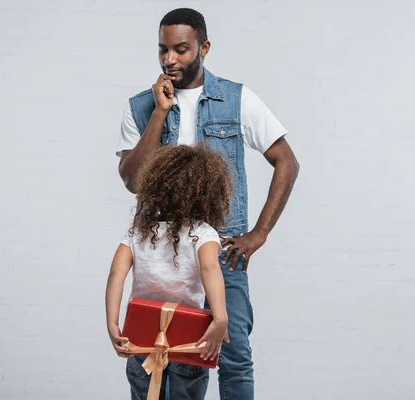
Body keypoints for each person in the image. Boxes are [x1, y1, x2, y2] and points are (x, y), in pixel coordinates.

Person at [116, 8, 300, 399]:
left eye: (181, 49)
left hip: (223, 248)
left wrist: (258, 234)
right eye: (163, 50)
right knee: (163, 353)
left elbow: (287, 161)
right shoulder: (139, 106)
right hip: (162, 248)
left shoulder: (236, 100)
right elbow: (133, 180)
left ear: (204, 47)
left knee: (233, 354)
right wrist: (159, 113)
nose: (170, 59)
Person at [106, 145, 232, 399]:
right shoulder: (203, 233)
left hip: (142, 338)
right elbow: (209, 268)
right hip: (190, 340)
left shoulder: (137, 233)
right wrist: (220, 319)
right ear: (207, 194)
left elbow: (116, 274)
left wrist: (112, 323)